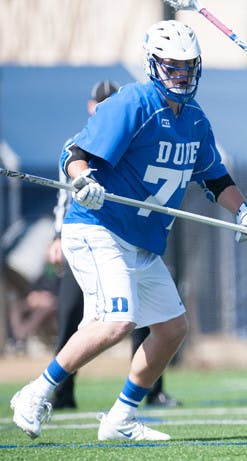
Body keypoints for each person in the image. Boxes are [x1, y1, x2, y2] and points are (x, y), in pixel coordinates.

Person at [10, 20, 247, 441]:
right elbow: (75, 154)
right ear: (154, 65)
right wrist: (83, 181)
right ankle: (36, 392)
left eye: (188, 67)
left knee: (172, 330)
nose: (181, 75)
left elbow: (216, 180)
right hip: (99, 228)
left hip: (142, 241)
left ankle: (120, 419)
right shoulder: (133, 103)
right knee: (117, 320)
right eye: (172, 67)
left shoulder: (195, 120)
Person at [49, 80, 180, 410]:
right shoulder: (78, 143)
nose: (105, 107)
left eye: (112, 101)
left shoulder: (133, 137)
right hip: (85, 237)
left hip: (127, 237)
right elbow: (64, 197)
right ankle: (56, 391)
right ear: (91, 106)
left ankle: (148, 390)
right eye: (100, 103)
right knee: (73, 316)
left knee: (148, 317)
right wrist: (57, 236)